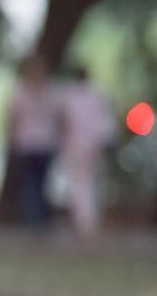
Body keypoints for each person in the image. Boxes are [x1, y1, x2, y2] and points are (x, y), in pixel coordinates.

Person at [56, 65, 115, 238]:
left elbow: (65, 123)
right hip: (94, 145)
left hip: (77, 145)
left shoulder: (68, 96)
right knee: (91, 184)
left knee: (80, 185)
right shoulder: (98, 94)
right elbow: (105, 123)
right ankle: (88, 222)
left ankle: (84, 222)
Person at [7, 56, 60, 229]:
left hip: (27, 143)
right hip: (45, 142)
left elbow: (13, 118)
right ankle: (41, 220)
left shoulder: (20, 92)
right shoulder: (51, 92)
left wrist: (11, 139)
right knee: (40, 184)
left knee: (30, 184)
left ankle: (34, 221)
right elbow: (59, 118)